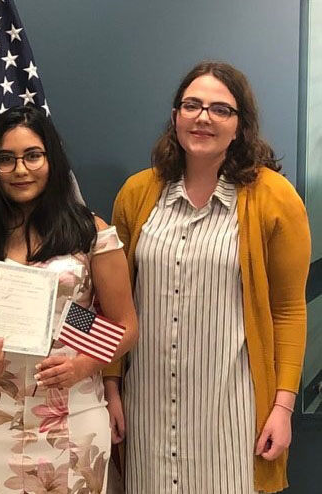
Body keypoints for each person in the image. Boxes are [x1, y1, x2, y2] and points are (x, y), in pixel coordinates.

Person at [104, 61, 310, 493]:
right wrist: (111, 386)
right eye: (192, 105)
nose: (203, 117)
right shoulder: (137, 194)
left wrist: (283, 408)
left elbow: (288, 310)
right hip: (148, 411)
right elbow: (112, 304)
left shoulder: (274, 199)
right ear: (176, 116)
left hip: (233, 414)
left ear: (240, 126)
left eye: (220, 109)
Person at [0, 105, 138, 493]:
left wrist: (84, 364)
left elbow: (126, 326)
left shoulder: (90, 233)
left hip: (72, 415)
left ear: (52, 160)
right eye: (7, 160)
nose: (21, 170)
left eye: (32, 156)